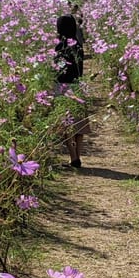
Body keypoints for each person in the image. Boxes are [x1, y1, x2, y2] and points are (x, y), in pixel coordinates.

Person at [54, 12, 89, 167]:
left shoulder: (60, 47)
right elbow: (79, 69)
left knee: (66, 122)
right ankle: (78, 156)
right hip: (78, 86)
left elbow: (59, 69)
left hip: (64, 87)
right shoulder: (78, 47)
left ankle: (73, 157)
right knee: (79, 124)